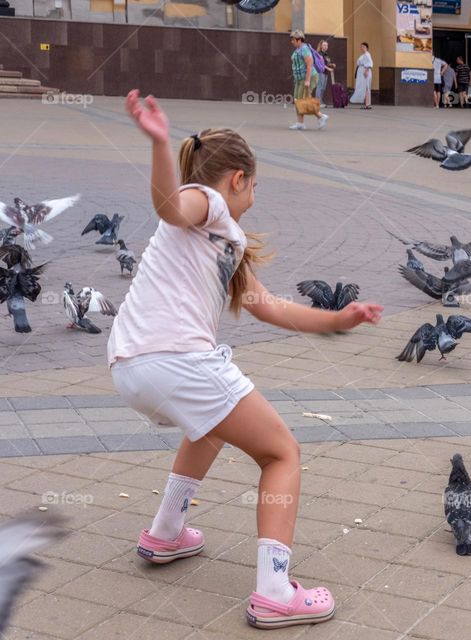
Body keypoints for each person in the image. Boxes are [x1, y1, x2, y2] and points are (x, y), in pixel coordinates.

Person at [117, 90, 383, 630]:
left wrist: (338, 319)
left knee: (211, 424)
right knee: (282, 452)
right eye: (255, 186)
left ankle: (166, 533)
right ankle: (274, 590)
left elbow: (270, 307)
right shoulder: (206, 202)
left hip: (129, 364)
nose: (255, 199)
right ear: (236, 178)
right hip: (177, 359)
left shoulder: (222, 239)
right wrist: (159, 143)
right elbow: (171, 204)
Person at [288, 31, 328, 131]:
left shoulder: (304, 49)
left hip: (308, 77)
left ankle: (321, 116)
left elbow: (309, 65)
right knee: (298, 100)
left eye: (293, 39)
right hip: (299, 79)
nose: (291, 41)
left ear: (299, 40)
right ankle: (300, 123)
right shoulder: (298, 49)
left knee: (303, 100)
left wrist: (307, 80)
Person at [314, 40, 336, 107]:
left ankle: (320, 101)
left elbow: (327, 63)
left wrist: (332, 65)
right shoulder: (319, 53)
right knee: (320, 87)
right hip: (320, 72)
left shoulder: (326, 54)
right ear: (321, 46)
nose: (326, 46)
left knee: (323, 87)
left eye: (327, 45)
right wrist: (328, 68)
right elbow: (321, 64)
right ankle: (317, 102)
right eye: (324, 45)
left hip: (325, 73)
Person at [352, 42, 373, 110]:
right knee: (363, 87)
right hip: (361, 72)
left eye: (363, 47)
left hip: (365, 72)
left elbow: (370, 63)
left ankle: (367, 104)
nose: (362, 48)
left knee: (366, 87)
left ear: (366, 48)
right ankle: (366, 103)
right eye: (361, 47)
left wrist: (366, 70)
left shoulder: (367, 54)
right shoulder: (363, 55)